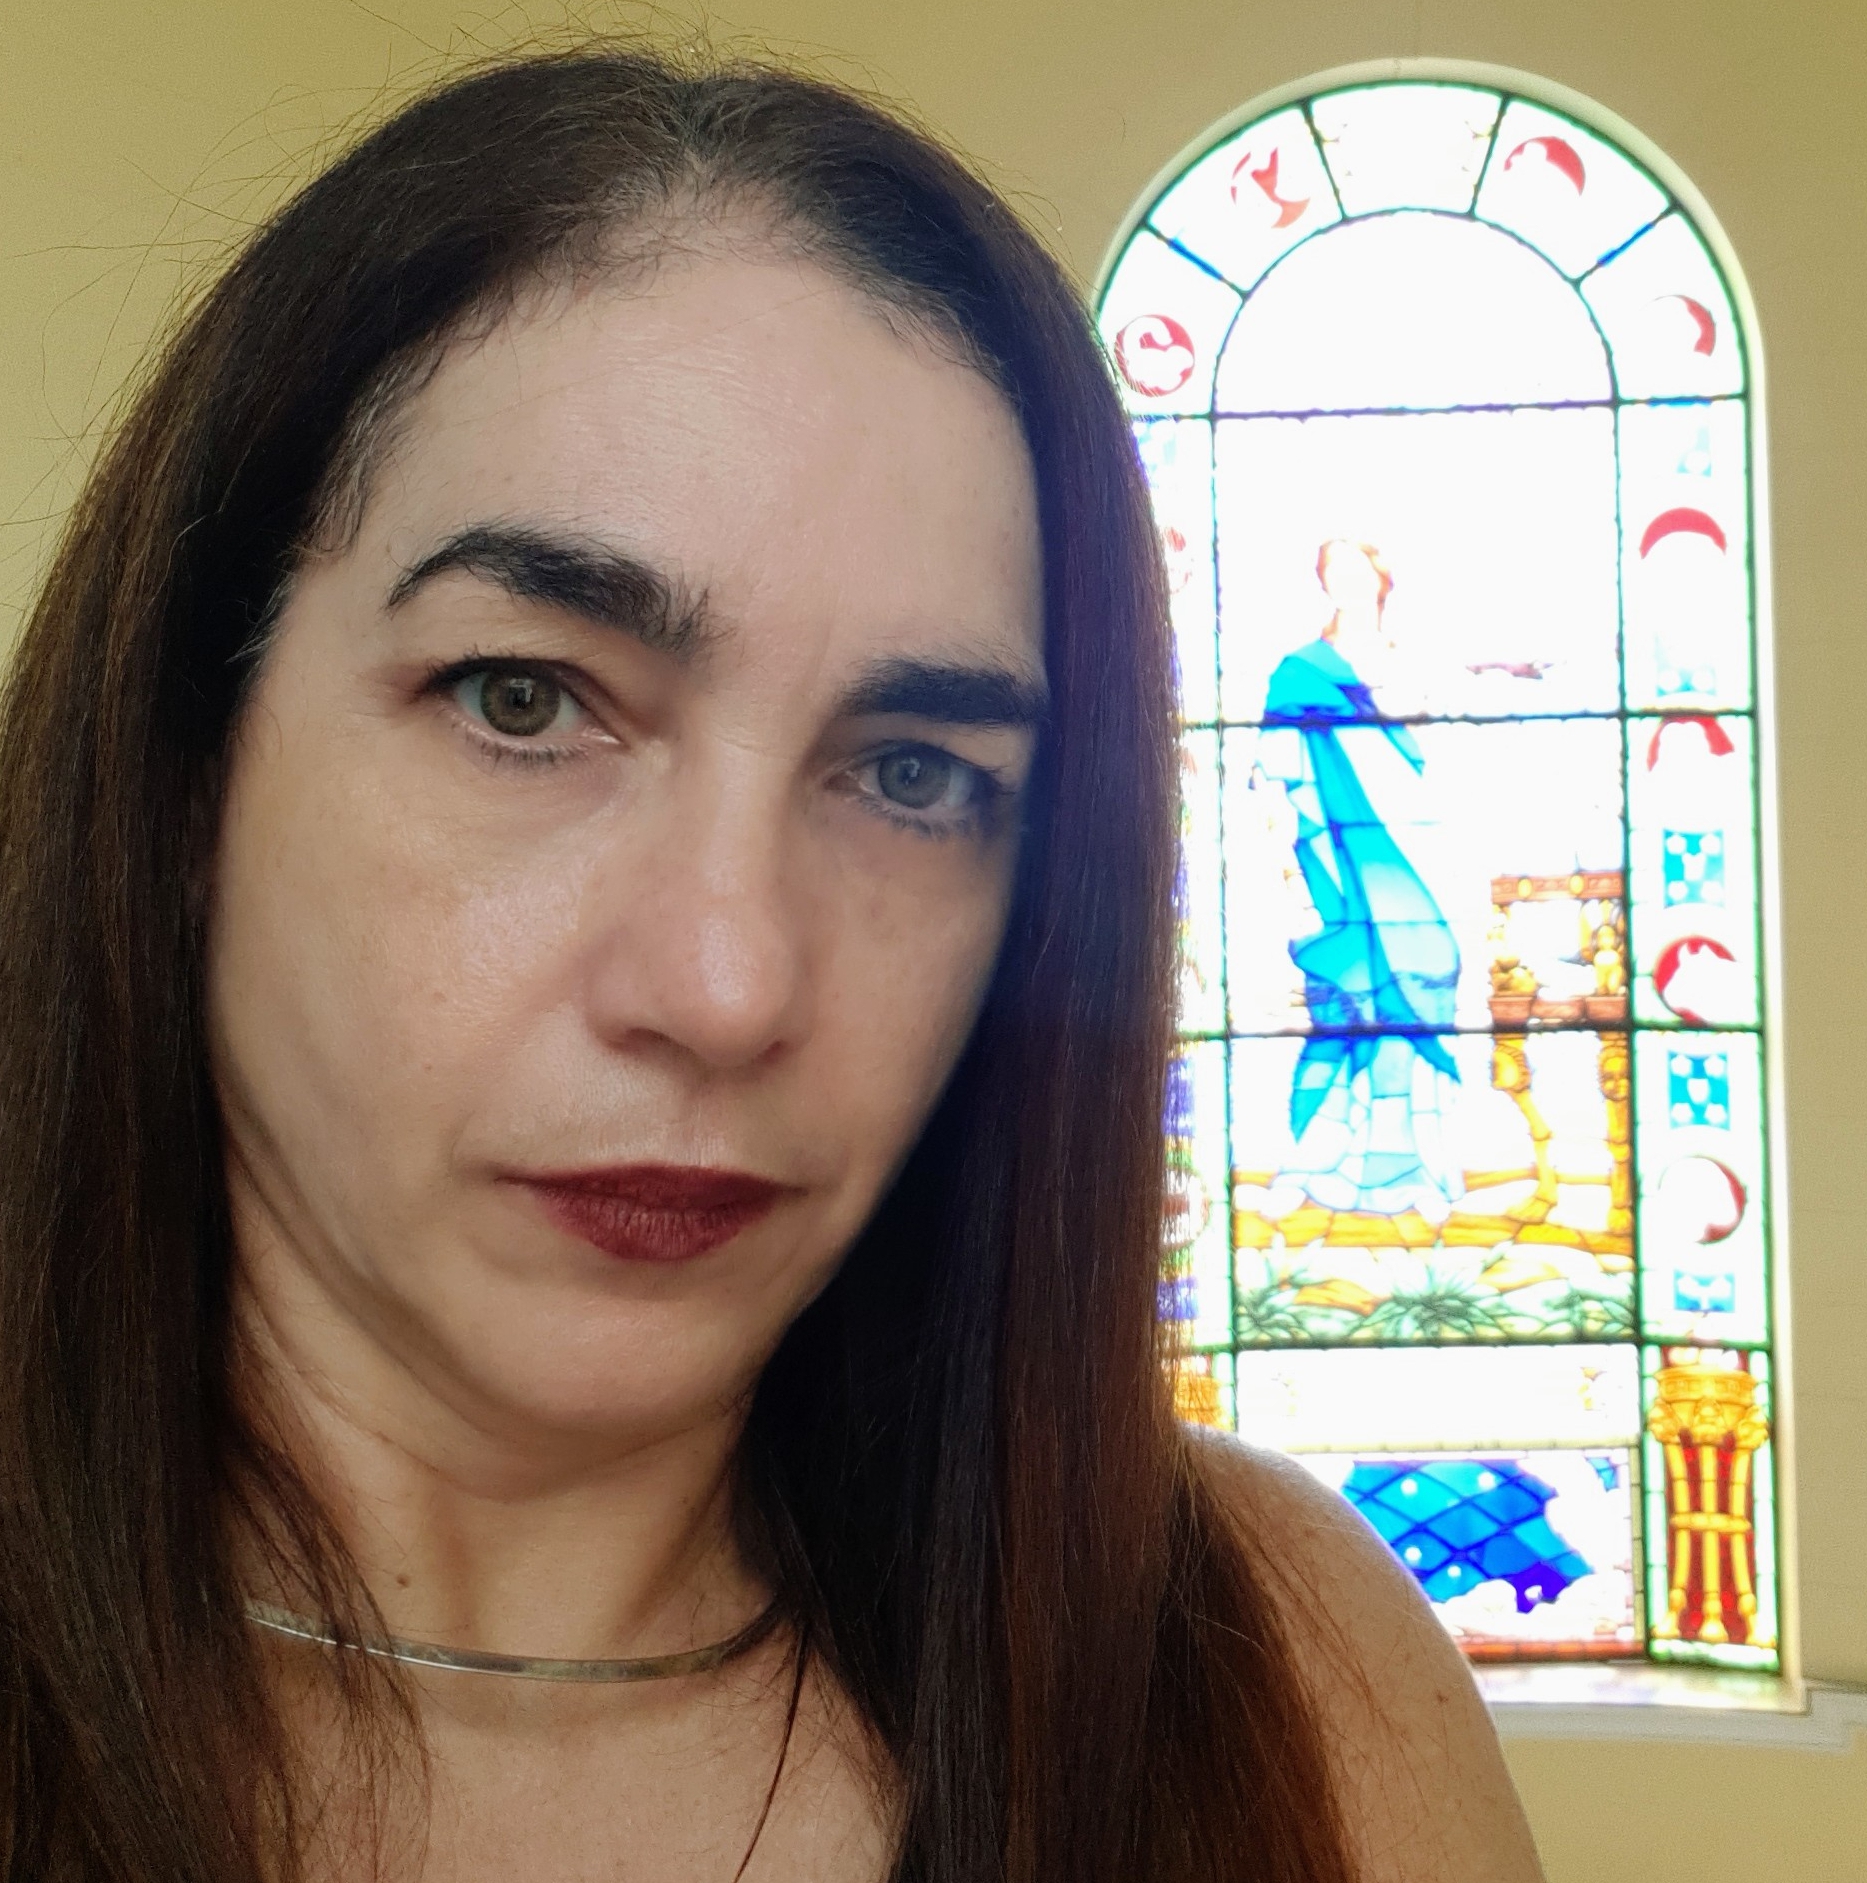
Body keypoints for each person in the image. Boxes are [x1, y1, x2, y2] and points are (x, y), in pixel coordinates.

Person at [0, 47, 1541, 1883]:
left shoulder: (1275, 1673)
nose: (729, 985)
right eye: (525, 699)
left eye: (913, 774)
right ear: (188, 763)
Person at [1256, 539, 1465, 1226]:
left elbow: (1442, 757)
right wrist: (1285, 864)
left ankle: (1418, 1166)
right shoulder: (1299, 673)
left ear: (1382, 579)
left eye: (1358, 569)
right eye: (1333, 571)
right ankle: (1314, 1162)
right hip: (1335, 854)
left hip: (1415, 850)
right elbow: (1276, 772)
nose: (1346, 581)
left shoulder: (1415, 667)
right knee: (1343, 996)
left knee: (1418, 982)